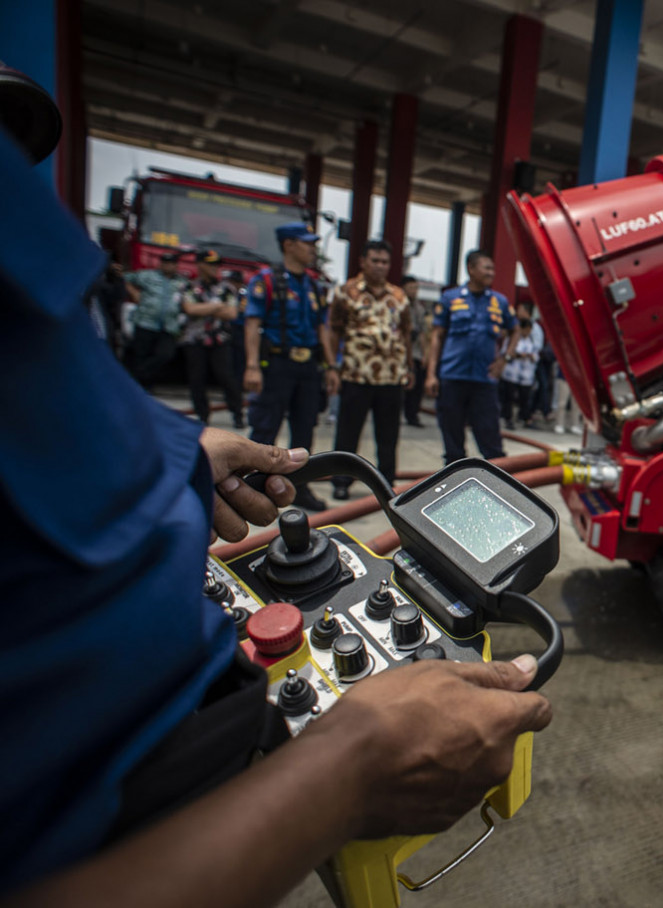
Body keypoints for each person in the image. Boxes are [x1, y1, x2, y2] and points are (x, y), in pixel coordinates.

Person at [0, 119, 551, 908]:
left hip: (179, 697)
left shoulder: (420, 303)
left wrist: (175, 461)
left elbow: (46, 403)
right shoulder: (293, 290)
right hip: (123, 777)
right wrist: (343, 775)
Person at [242, 222, 337, 512]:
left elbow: (322, 328)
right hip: (277, 366)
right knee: (265, 427)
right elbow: (252, 324)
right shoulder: (266, 281)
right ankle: (252, 487)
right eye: (306, 243)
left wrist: (331, 366)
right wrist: (252, 366)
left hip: (308, 367)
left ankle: (300, 487)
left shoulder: (314, 285)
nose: (312, 249)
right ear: (288, 245)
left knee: (305, 429)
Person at [323, 241, 413, 500]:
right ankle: (341, 481)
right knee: (348, 434)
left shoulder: (398, 296)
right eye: (375, 260)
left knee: (388, 437)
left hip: (391, 377)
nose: (380, 266)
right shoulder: (345, 292)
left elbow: (406, 334)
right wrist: (331, 366)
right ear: (363, 261)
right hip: (356, 375)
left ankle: (387, 486)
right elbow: (334, 330)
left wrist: (409, 367)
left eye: (385, 262)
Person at [426, 250, 514, 463]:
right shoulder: (450, 298)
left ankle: (498, 487)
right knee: (452, 440)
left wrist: (505, 358)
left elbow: (515, 330)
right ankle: (456, 483)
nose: (491, 273)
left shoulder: (499, 302)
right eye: (486, 268)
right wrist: (431, 374)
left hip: (484, 380)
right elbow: (436, 336)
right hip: (452, 378)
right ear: (471, 269)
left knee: (491, 440)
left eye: (492, 269)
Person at [178, 249, 245, 428]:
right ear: (199, 264)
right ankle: (202, 415)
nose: (214, 268)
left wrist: (203, 308)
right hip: (194, 340)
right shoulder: (188, 286)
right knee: (196, 379)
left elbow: (231, 313)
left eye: (216, 264)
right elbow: (190, 310)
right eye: (210, 264)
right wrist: (217, 306)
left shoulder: (227, 288)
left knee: (226, 377)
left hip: (220, 340)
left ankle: (237, 414)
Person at [124, 250, 186, 389]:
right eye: (166, 263)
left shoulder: (181, 282)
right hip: (145, 322)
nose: (169, 266)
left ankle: (135, 377)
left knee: (165, 355)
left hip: (169, 326)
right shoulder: (148, 276)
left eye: (172, 264)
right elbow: (126, 278)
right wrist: (134, 293)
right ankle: (141, 387)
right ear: (161, 264)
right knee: (141, 354)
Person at [498, 300, 542, 430]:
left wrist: (530, 356)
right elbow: (505, 352)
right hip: (512, 373)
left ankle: (525, 418)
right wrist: (517, 355)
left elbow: (537, 353)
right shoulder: (512, 338)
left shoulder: (533, 337)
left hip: (526, 375)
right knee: (509, 397)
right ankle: (508, 418)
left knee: (525, 397)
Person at [402, 274, 428, 429]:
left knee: (416, 386)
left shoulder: (419, 309)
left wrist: (425, 354)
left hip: (416, 352)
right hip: (400, 353)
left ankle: (412, 415)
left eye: (416, 288)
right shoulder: (398, 305)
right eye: (411, 288)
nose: (414, 291)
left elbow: (423, 333)